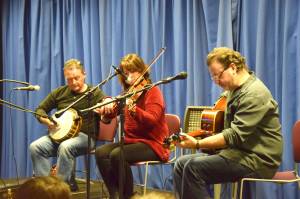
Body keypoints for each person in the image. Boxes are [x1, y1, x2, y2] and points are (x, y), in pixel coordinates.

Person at [173, 47, 283, 199]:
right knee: (180, 164)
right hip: (237, 152)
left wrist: (198, 144)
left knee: (193, 168)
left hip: (257, 158)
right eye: (213, 77)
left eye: (218, 75)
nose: (217, 81)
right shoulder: (232, 89)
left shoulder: (254, 94)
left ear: (232, 67)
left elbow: (234, 135)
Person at [94, 53, 170, 199]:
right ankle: (115, 194)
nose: (130, 76)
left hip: (154, 144)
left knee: (118, 154)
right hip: (132, 142)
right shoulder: (128, 93)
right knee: (101, 152)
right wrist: (105, 110)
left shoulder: (152, 91)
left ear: (142, 71)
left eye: (134, 71)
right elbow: (111, 114)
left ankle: (128, 196)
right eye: (127, 73)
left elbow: (152, 120)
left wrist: (134, 109)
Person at [29, 59, 108, 191]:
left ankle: (60, 189)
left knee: (66, 147)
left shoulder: (94, 93)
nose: (73, 82)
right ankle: (44, 188)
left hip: (85, 137)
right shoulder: (60, 92)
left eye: (76, 78)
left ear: (84, 74)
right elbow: (40, 110)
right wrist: (45, 120)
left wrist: (104, 112)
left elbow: (107, 110)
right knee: (35, 147)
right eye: (69, 79)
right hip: (59, 136)